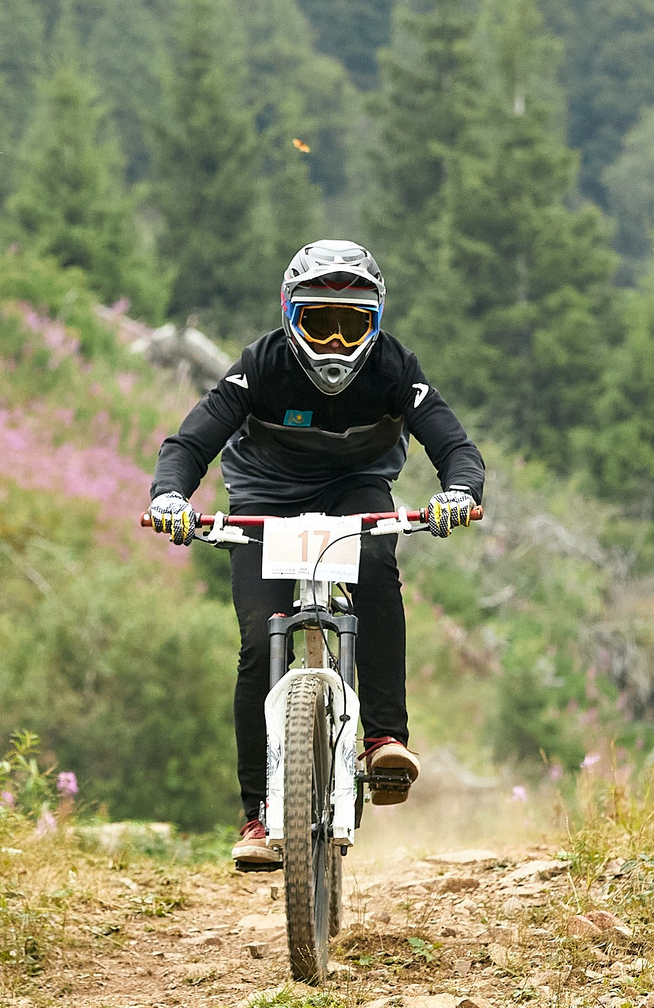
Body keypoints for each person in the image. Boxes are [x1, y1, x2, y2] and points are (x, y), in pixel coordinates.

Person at [145, 241, 486, 871]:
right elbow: (191, 440)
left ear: (375, 324)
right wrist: (170, 495)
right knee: (257, 645)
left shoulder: (393, 368)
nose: (333, 341)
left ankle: (384, 739)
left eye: (351, 324)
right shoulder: (261, 366)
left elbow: (454, 443)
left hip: (354, 492)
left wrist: (460, 491)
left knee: (379, 574)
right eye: (317, 322)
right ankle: (256, 817)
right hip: (263, 498)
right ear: (288, 317)